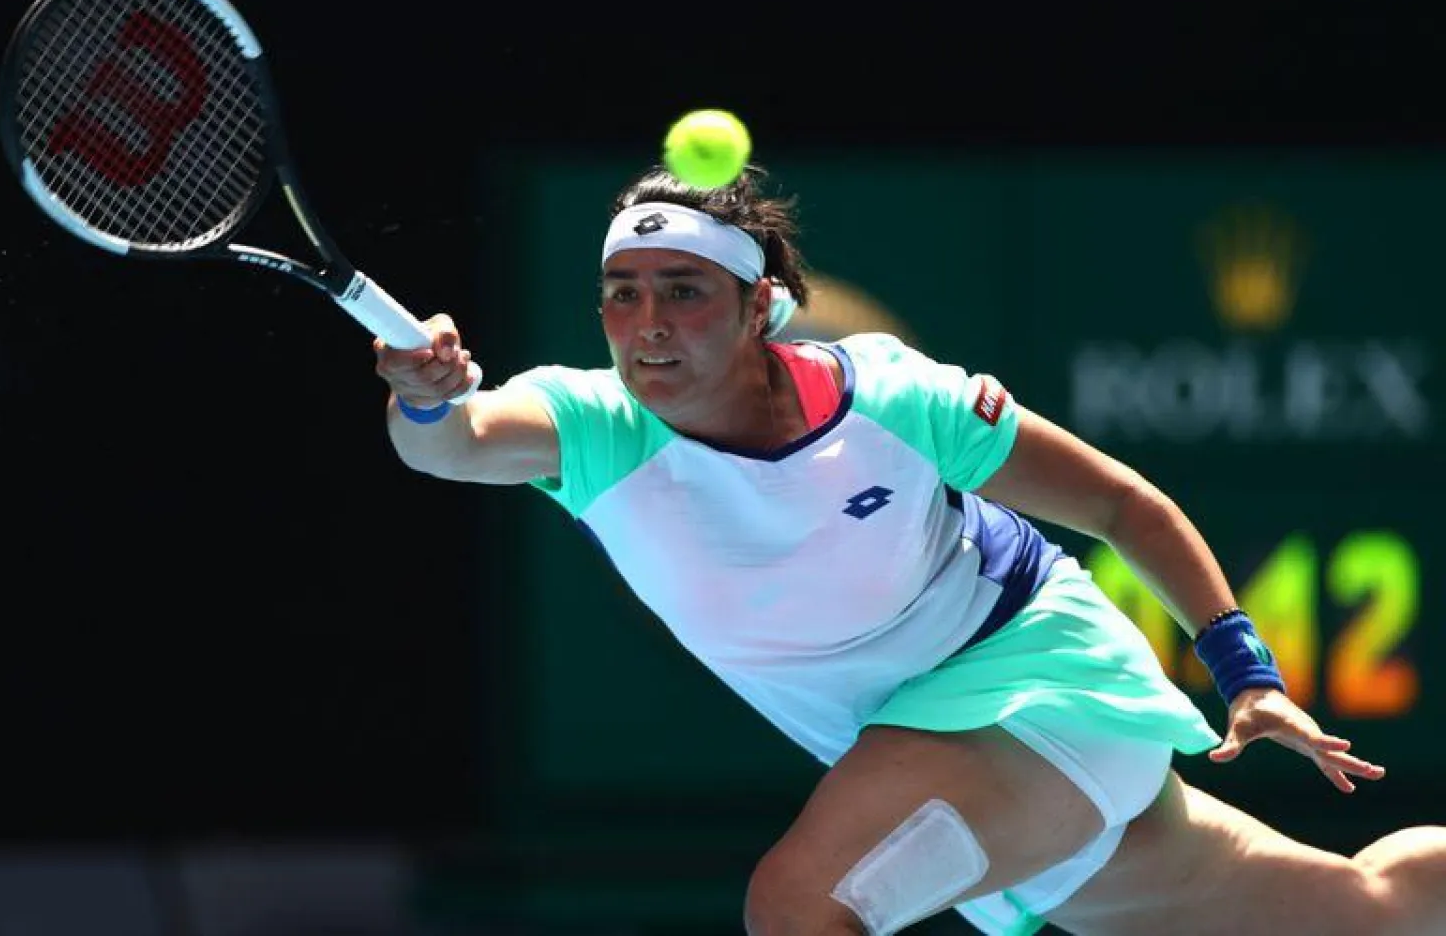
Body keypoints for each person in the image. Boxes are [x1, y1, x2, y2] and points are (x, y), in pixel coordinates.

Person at [373, 164, 1445, 936]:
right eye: (624, 292)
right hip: (968, 776)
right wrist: (423, 401)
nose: (648, 321)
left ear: (759, 308)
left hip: (1042, 692)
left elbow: (1123, 504)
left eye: (684, 291)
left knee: (798, 904)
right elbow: (458, 443)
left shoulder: (894, 396)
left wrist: (1247, 674)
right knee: (1370, 913)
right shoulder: (594, 422)